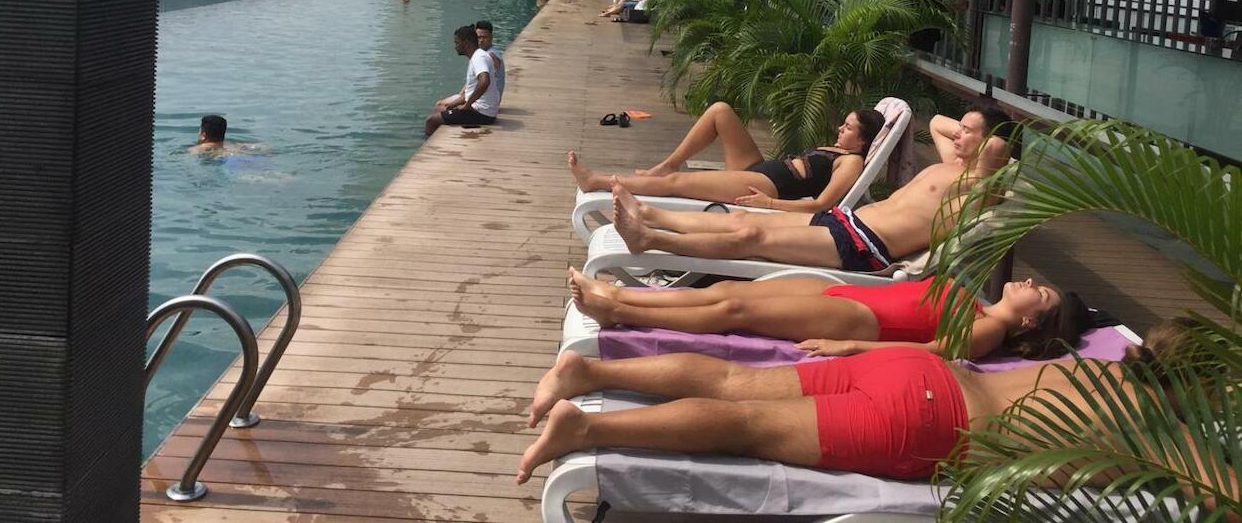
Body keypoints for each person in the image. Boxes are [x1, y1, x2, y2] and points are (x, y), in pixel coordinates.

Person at [516, 320, 1234, 501]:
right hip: (929, 423)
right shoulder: (1155, 431)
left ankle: (589, 369)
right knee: (747, 426)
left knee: (735, 384)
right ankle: (587, 426)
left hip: (920, 368)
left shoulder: (1099, 361)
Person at [610, 104, 1014, 273]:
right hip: (847, 221)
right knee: (744, 218)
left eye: (969, 132)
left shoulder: (978, 189)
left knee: (752, 236)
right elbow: (940, 121)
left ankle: (650, 239)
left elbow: (990, 159)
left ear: (993, 144)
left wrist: (997, 143)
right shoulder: (952, 165)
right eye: (961, 129)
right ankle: (650, 214)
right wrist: (972, 130)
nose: (957, 134)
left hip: (866, 247)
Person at [567, 267, 1089, 361]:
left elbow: (930, 352)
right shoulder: (980, 301)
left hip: (864, 323)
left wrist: (852, 347)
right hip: (850, 297)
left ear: (1029, 323)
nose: (1028, 283)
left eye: (1038, 295)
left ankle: (618, 310)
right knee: (729, 287)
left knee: (733, 308)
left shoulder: (992, 328)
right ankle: (620, 295)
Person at [567, 106, 884, 211]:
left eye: (849, 127)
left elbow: (822, 205)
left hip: (769, 187)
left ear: (864, 140)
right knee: (720, 111)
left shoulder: (852, 162)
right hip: (762, 169)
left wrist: (770, 204)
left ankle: (599, 181)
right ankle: (667, 164)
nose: (840, 128)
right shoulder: (841, 150)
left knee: (679, 185)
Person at [425, 25, 500, 136]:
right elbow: (471, 91)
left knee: (431, 121)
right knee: (439, 109)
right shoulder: (478, 56)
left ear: (466, 43)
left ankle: (428, 147)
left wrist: (467, 106)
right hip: (482, 110)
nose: (455, 46)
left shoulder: (479, 58)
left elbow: (484, 82)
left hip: (482, 114)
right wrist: (452, 105)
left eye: (457, 43)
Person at [475, 19, 505, 99]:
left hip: (488, 101)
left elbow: (483, 82)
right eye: (478, 37)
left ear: (491, 37)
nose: (481, 41)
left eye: (484, 37)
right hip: (487, 98)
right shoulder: (490, 52)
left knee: (443, 106)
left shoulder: (490, 55)